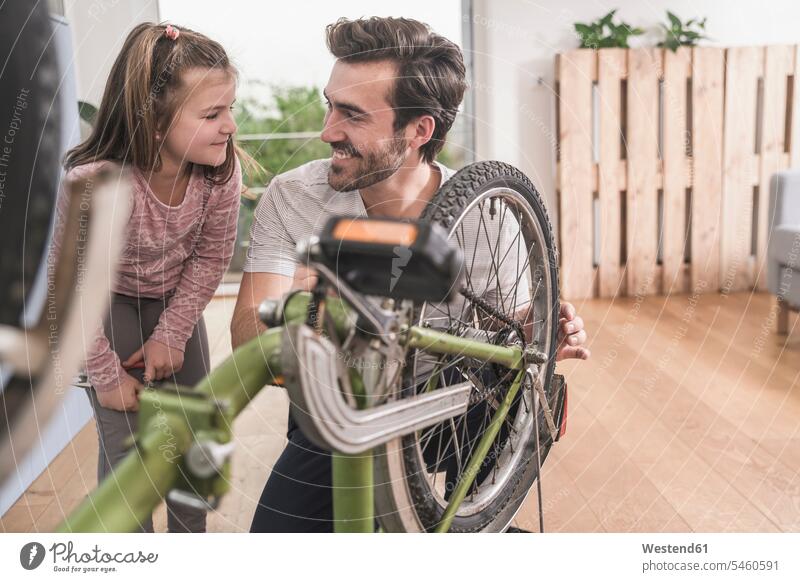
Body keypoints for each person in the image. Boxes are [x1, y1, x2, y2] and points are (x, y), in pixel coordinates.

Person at [231, 16, 589, 532]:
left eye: (352, 115)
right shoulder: (294, 197)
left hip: (452, 397)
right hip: (345, 399)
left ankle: (475, 528)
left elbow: (504, 331)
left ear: (420, 130)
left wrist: (537, 328)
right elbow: (247, 339)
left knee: (506, 388)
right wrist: (305, 304)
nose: (327, 129)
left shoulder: (488, 214)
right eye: (330, 103)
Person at [52, 22, 246, 533]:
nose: (229, 126)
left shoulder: (221, 174)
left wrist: (172, 332)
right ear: (156, 124)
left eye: (230, 108)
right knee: (127, 455)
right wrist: (107, 375)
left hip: (172, 304)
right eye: (211, 114)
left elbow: (208, 259)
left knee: (195, 441)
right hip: (103, 309)